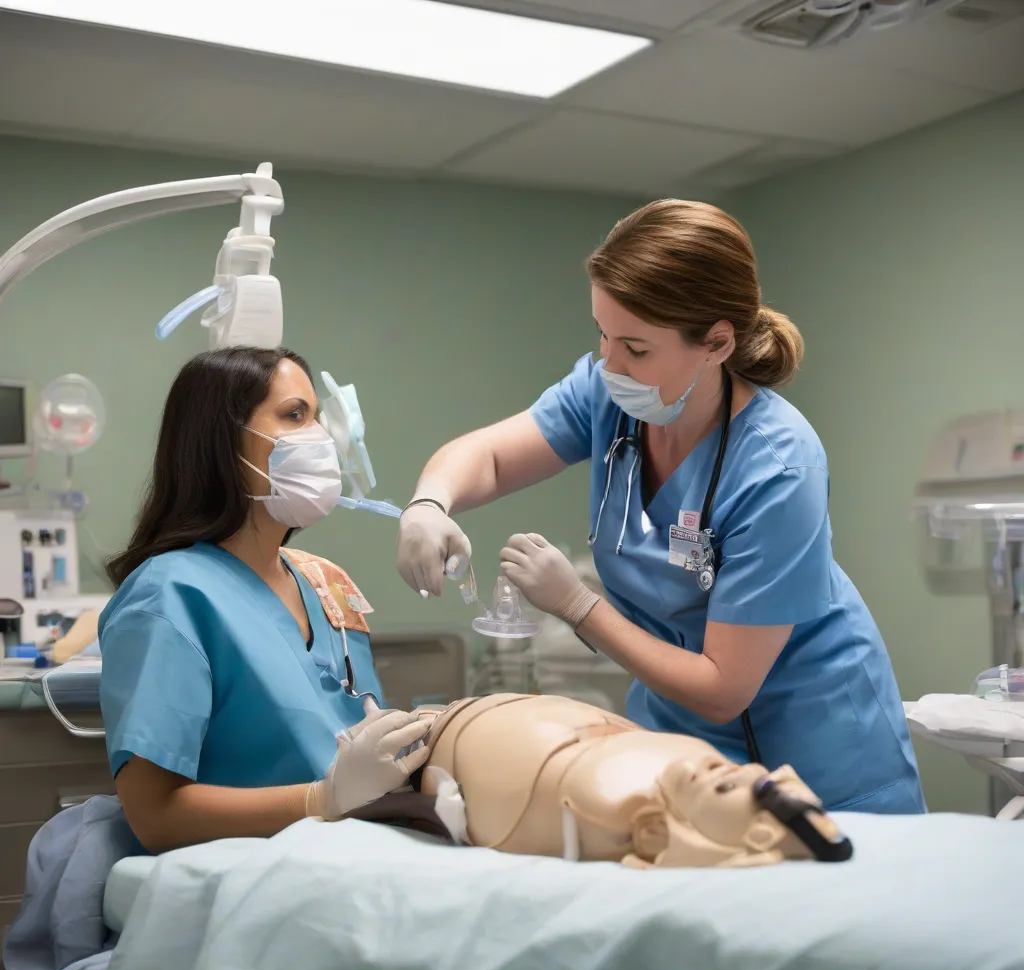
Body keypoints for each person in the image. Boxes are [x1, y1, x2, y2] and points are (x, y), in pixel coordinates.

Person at [396, 199, 925, 815]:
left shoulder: (778, 467)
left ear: (716, 343)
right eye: (602, 333)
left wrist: (577, 606)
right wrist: (430, 502)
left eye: (636, 348)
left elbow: (723, 688)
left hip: (819, 761)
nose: (609, 362)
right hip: (681, 749)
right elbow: (487, 457)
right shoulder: (610, 396)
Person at [100, 346, 429, 853]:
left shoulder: (324, 581)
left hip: (363, 851)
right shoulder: (169, 596)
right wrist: (322, 799)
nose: (321, 438)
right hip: (252, 873)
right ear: (222, 442)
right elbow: (155, 815)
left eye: (317, 417)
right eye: (295, 415)